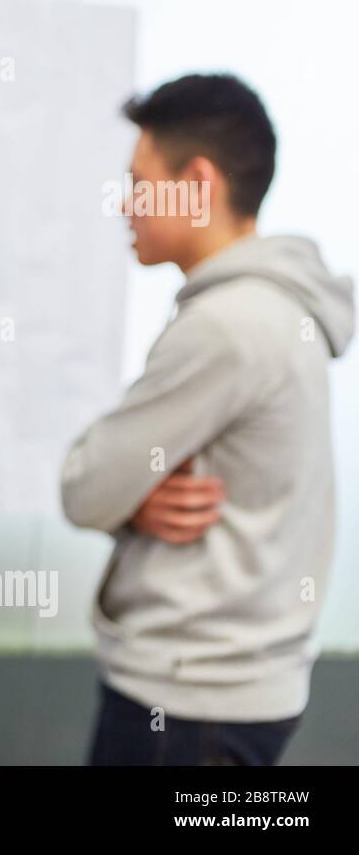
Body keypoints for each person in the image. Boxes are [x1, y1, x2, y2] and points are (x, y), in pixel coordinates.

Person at [61, 73, 355, 765]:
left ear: (196, 181)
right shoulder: (283, 306)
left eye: (138, 181)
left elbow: (84, 487)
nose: (125, 205)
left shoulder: (226, 326)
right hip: (240, 694)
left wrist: (122, 495)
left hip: (187, 708)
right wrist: (137, 501)